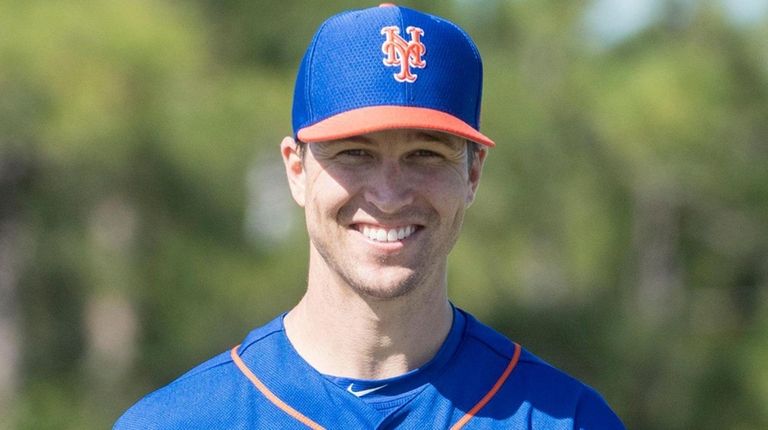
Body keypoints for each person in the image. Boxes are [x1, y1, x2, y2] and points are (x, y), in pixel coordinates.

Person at [115, 4, 624, 429]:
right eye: (354, 153)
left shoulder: (566, 419)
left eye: (426, 154)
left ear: (472, 175)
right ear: (296, 169)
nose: (388, 193)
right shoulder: (181, 421)